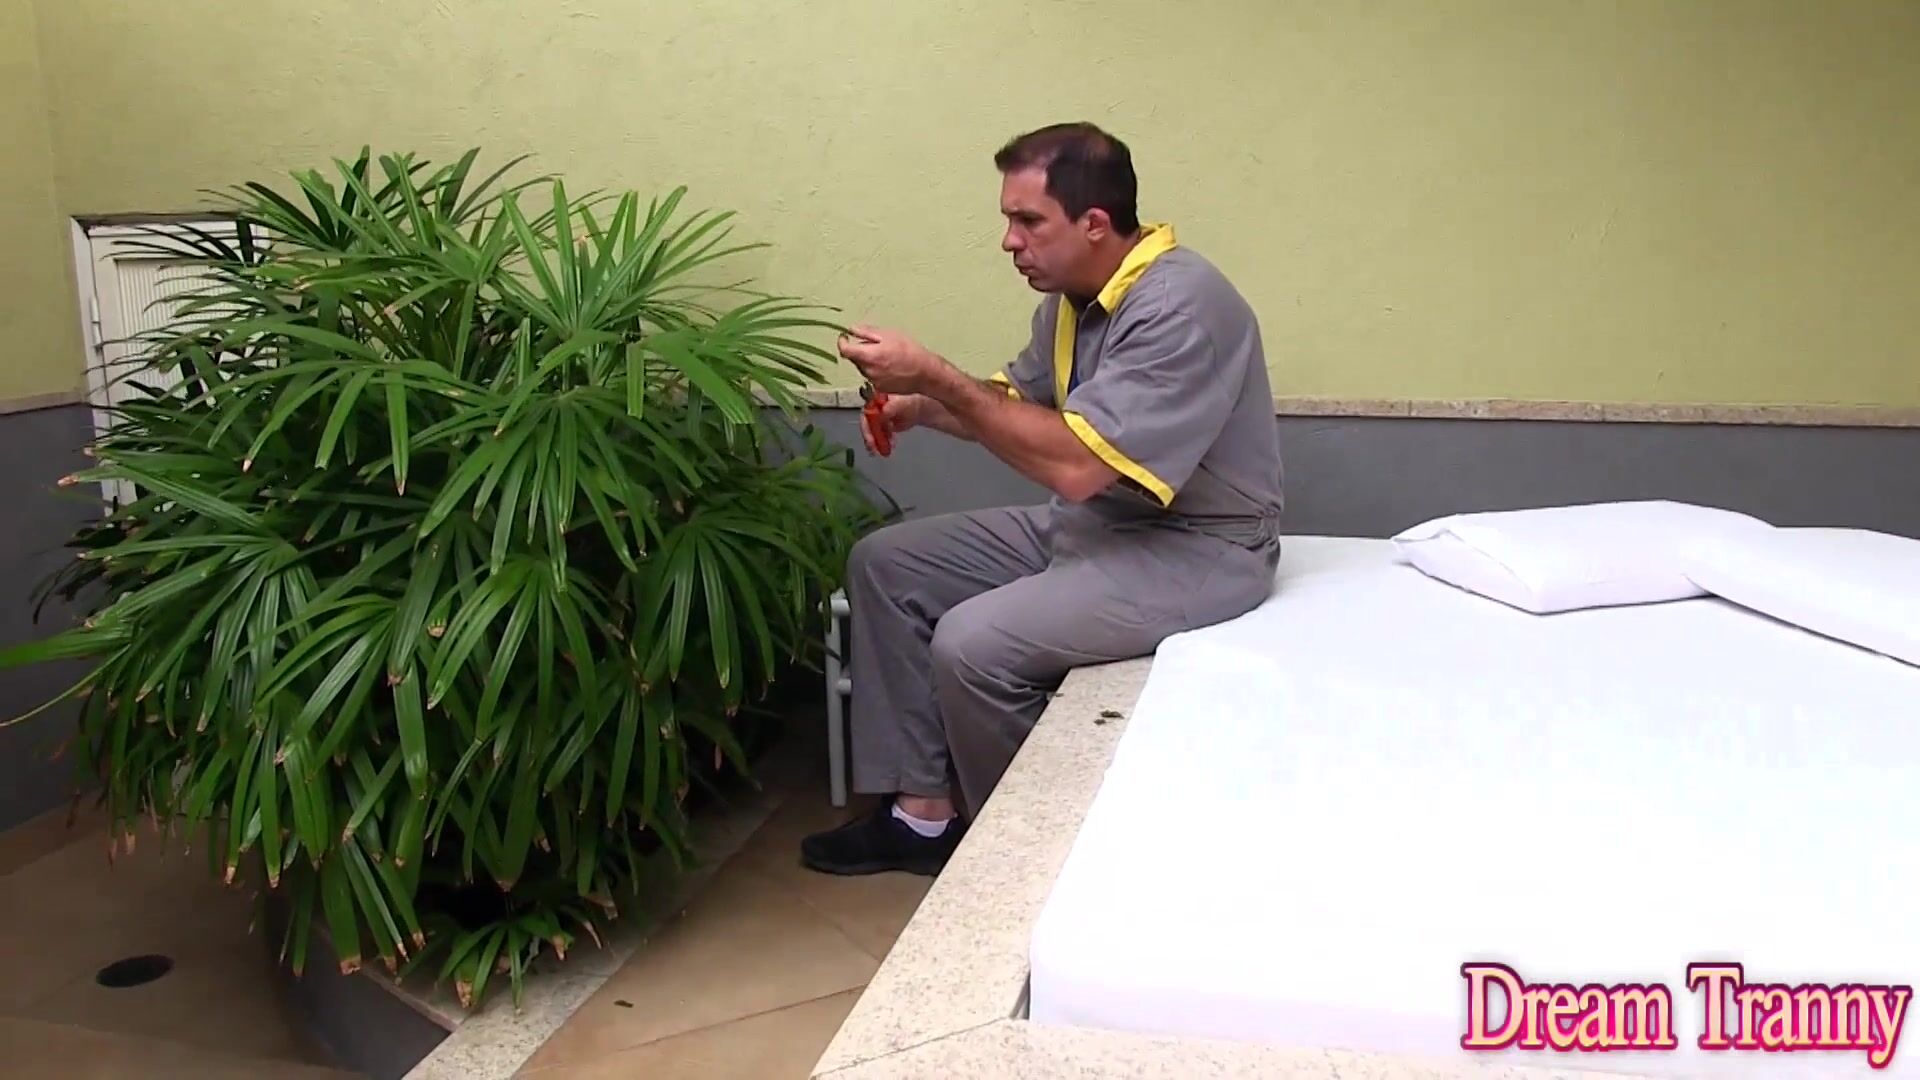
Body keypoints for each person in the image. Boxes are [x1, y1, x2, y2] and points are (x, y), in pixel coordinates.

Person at [801, 122, 1285, 877]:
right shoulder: (1074, 301)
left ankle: (1035, 859)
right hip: (1101, 524)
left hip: (1198, 546)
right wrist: (920, 405)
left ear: (1094, 223)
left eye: (1028, 221)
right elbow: (1019, 406)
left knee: (972, 645)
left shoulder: (1180, 306)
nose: (1009, 241)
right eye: (1009, 219)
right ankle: (922, 818)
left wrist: (933, 374)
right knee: (886, 565)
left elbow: (1078, 467)